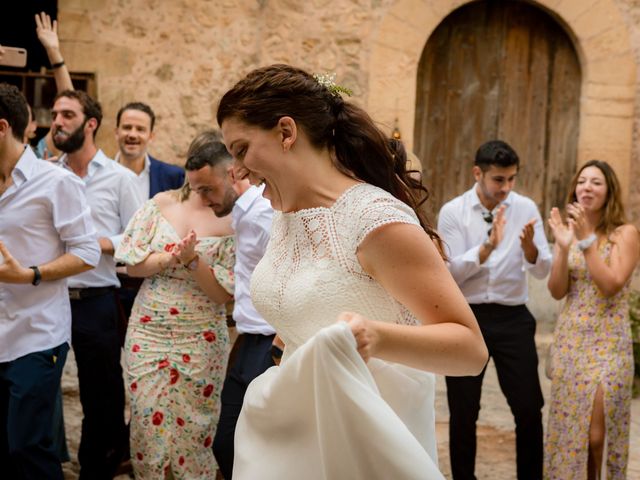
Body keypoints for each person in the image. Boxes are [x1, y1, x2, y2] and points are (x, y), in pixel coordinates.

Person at [214, 64, 488, 479]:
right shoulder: (285, 215)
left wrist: (376, 336)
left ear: (286, 133)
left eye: (241, 149)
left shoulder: (374, 221)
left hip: (365, 445)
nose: (236, 170)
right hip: (300, 440)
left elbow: (470, 351)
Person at [114, 131, 235, 479]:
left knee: (195, 427)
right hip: (149, 330)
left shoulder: (234, 219)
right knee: (146, 417)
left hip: (201, 336)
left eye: (208, 185)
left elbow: (222, 295)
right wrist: (172, 259)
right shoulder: (160, 204)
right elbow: (132, 265)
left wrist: (195, 261)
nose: (200, 190)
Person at [0, 83, 100, 479]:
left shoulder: (56, 182)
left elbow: (88, 253)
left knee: (27, 447)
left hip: (36, 337)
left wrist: (31, 274)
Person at [437, 140, 551, 480]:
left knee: (529, 408)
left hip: (513, 318)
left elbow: (543, 271)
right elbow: (449, 275)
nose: (506, 188)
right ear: (478, 173)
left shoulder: (526, 208)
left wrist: (531, 250)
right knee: (463, 410)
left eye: (512, 179)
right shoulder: (453, 212)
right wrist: (486, 249)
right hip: (466, 316)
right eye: (499, 179)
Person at [51, 89, 143, 479]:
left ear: (90, 125)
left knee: (102, 396)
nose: (57, 122)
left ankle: (95, 469)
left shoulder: (121, 179)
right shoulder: (45, 175)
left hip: (98, 300)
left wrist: (97, 244)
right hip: (48, 297)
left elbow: (139, 238)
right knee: (36, 386)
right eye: (55, 114)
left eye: (67, 115)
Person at [178, 131, 276, 479]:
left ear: (233, 174)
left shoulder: (265, 216)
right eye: (197, 191)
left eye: (207, 189)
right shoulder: (241, 216)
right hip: (247, 341)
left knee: (254, 444)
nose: (203, 200)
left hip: (271, 344)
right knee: (225, 442)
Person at [545, 160, 639, 479]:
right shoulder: (570, 233)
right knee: (572, 434)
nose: (587, 187)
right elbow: (557, 291)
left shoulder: (624, 234)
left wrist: (586, 242)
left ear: (609, 190)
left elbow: (611, 285)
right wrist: (561, 247)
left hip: (609, 345)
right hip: (571, 342)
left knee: (596, 437)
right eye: (582, 181)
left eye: (596, 182)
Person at [114, 102, 184, 199]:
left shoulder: (174, 178)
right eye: (127, 127)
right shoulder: (99, 176)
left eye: (140, 129)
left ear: (151, 136)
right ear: (116, 133)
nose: (132, 135)